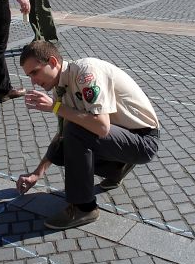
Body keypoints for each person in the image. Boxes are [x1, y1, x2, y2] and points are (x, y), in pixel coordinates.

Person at [16, 41, 160, 230]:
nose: (33, 81)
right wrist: (36, 174)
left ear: (52, 61)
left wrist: (55, 107)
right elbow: (62, 135)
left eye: (35, 72)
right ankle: (117, 168)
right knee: (61, 147)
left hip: (143, 140)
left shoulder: (85, 73)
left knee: (75, 130)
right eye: (29, 76)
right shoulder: (63, 86)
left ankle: (84, 208)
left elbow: (101, 127)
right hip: (123, 135)